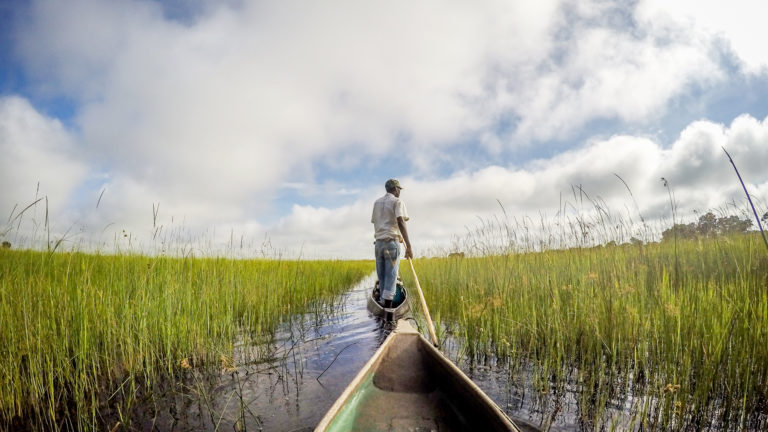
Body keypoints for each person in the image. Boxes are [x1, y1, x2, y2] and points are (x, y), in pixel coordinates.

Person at [371, 179, 413, 319]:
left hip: (378, 243)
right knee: (391, 275)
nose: (399, 191)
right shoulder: (397, 202)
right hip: (391, 243)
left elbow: (376, 222)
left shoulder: (376, 203)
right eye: (399, 189)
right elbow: (400, 221)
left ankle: (382, 305)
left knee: (381, 275)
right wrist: (409, 245)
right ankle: (388, 312)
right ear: (395, 189)